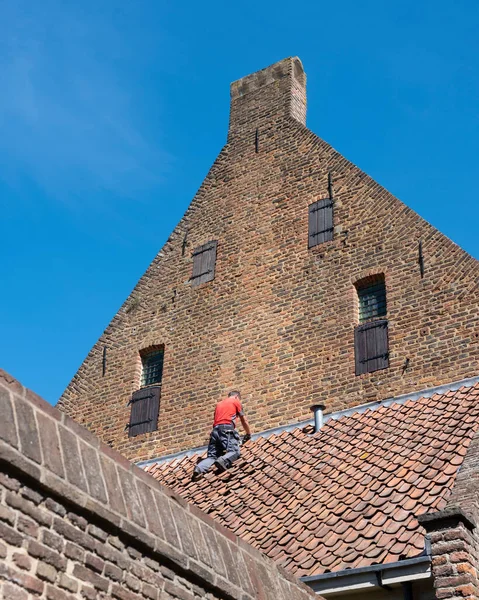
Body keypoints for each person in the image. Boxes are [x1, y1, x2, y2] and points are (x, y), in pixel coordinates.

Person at [192, 391, 251, 480]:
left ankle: (199, 468)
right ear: (236, 397)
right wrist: (248, 433)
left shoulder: (219, 404)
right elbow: (244, 420)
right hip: (226, 429)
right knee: (235, 451)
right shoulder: (235, 401)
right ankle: (223, 460)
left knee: (212, 456)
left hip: (215, 432)